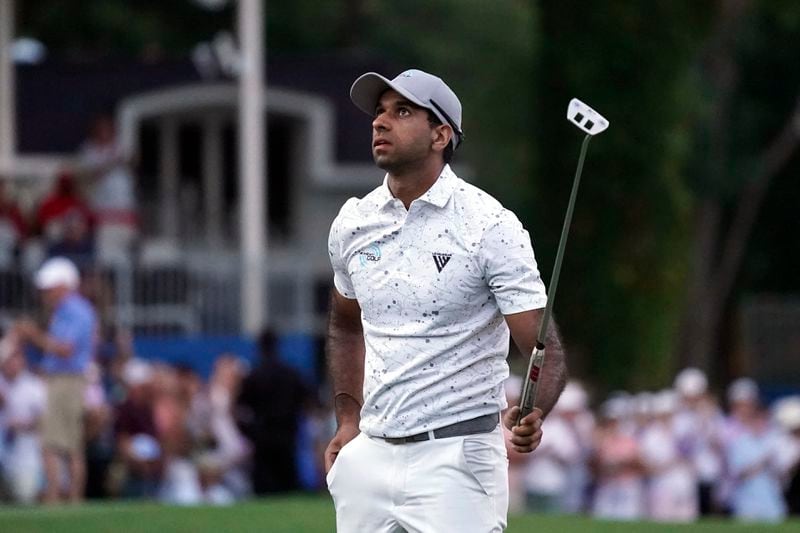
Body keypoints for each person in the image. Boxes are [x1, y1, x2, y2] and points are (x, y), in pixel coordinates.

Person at [324, 68, 566, 532]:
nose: (380, 122)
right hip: (370, 454)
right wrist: (348, 418)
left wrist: (536, 408)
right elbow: (345, 324)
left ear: (441, 135)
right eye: (379, 111)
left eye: (402, 111)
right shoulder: (352, 222)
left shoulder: (490, 225)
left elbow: (543, 345)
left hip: (457, 460)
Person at [12, 256, 98, 503]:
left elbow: (65, 349)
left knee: (55, 442)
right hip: (63, 379)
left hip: (66, 380)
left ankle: (58, 498)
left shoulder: (75, 310)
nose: (45, 294)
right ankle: (69, 499)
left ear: (63, 286)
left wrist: (32, 334)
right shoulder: (70, 310)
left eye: (49, 289)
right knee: (66, 442)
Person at [236, 329, 311, 494]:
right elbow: (307, 399)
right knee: (287, 484)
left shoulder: (254, 375)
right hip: (287, 434)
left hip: (262, 436)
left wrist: (249, 431)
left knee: (263, 486)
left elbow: (240, 407)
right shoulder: (291, 373)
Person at [0, 333, 47, 504]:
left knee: (24, 499)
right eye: (9, 358)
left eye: (16, 357)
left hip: (25, 458)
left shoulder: (34, 386)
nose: (13, 363)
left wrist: (24, 424)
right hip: (3, 455)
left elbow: (45, 421)